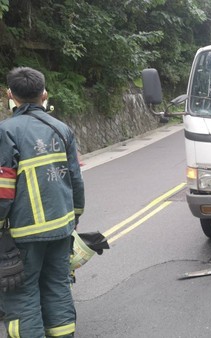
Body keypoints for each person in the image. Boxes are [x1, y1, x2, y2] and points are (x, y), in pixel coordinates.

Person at [0, 67, 85, 337]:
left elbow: (3, 190)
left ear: (9, 95)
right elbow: (76, 180)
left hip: (21, 234)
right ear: (44, 94)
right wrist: (74, 217)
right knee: (57, 289)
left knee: (22, 298)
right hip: (61, 227)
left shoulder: (6, 131)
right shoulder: (61, 129)